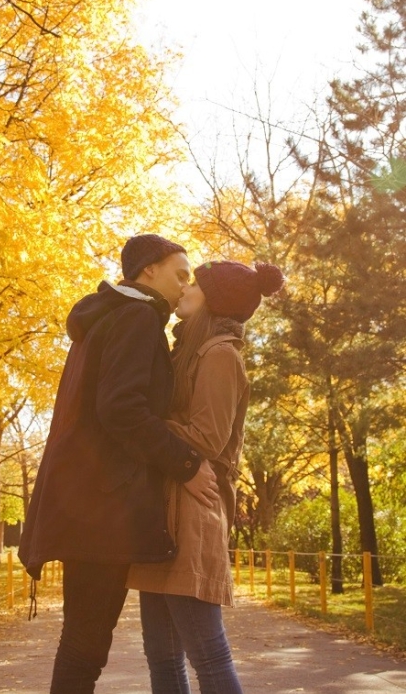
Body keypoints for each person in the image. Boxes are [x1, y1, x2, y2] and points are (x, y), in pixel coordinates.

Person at [18, 234, 219, 694]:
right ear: (149, 270)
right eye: (180, 273)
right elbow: (121, 410)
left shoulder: (108, 317)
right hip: (101, 508)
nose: (184, 285)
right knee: (85, 647)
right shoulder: (136, 317)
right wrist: (187, 464)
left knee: (82, 643)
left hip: (87, 500)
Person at [127, 259, 285, 694]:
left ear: (214, 300)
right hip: (163, 513)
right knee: (161, 658)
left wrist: (143, 424)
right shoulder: (188, 351)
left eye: (195, 282)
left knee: (209, 657)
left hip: (193, 513)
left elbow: (208, 438)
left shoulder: (220, 356)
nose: (186, 288)